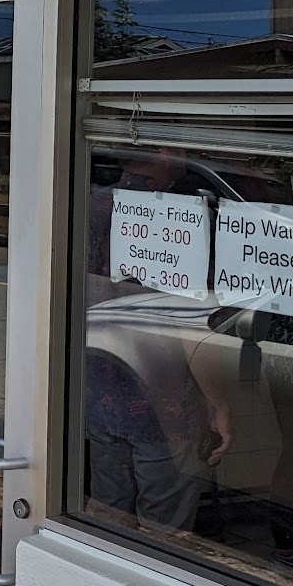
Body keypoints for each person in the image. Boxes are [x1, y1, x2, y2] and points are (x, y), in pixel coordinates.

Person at [85, 150, 233, 533]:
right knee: (164, 535)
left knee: (106, 517)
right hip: (164, 406)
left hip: (99, 390)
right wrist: (219, 404)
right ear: (163, 153)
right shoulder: (177, 217)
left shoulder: (88, 207)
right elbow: (192, 325)